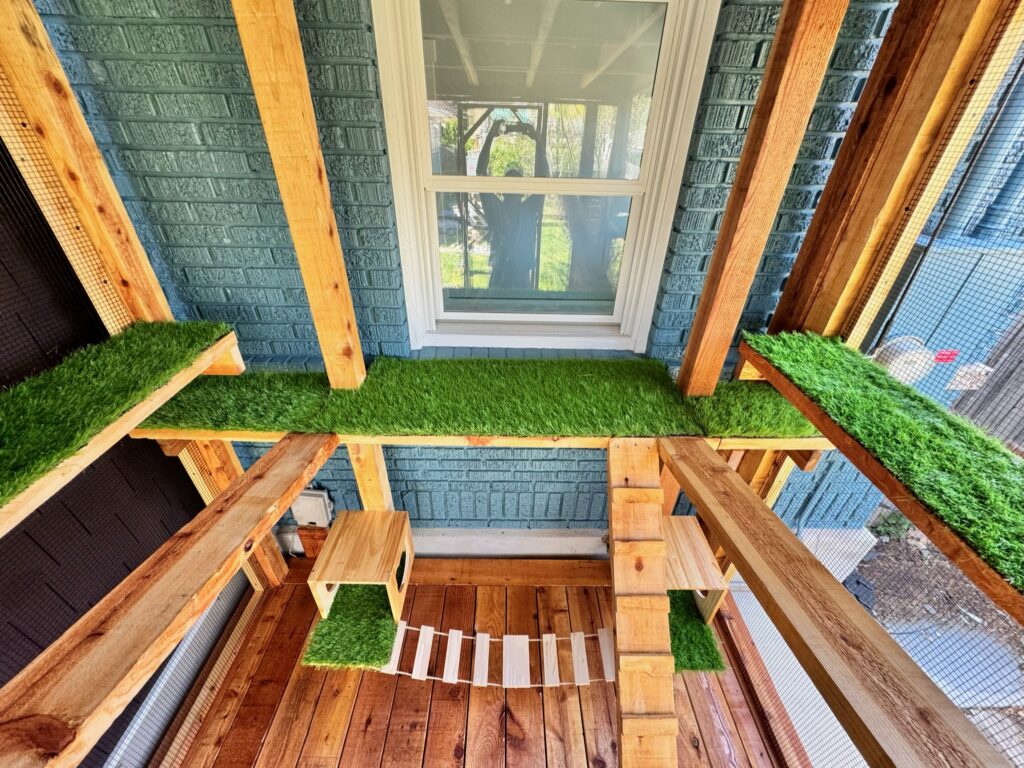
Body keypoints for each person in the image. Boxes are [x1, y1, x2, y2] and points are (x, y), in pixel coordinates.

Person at [476, 120, 549, 290]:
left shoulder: (496, 210)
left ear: (503, 190)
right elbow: (543, 178)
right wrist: (537, 141)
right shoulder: (528, 210)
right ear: (522, 191)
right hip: (519, 280)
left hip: (500, 278)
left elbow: (480, 173)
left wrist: (490, 137)